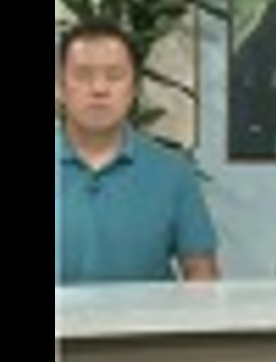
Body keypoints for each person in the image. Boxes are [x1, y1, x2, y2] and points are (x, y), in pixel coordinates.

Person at [55, 18, 219, 284]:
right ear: (59, 88)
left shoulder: (173, 172)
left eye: (114, 76)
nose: (99, 89)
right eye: (83, 76)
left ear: (134, 89)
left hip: (150, 313)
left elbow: (201, 273)